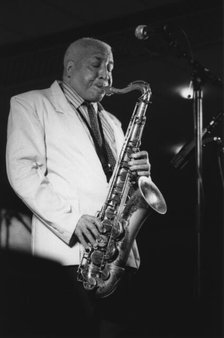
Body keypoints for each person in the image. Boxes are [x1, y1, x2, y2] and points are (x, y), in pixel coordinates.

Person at [6, 37, 151, 337]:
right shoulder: (30, 103)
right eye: (96, 65)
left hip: (118, 259)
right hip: (70, 254)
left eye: (110, 68)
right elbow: (22, 171)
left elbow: (123, 185)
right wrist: (71, 221)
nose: (106, 76)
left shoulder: (112, 121)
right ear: (69, 68)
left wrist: (142, 175)